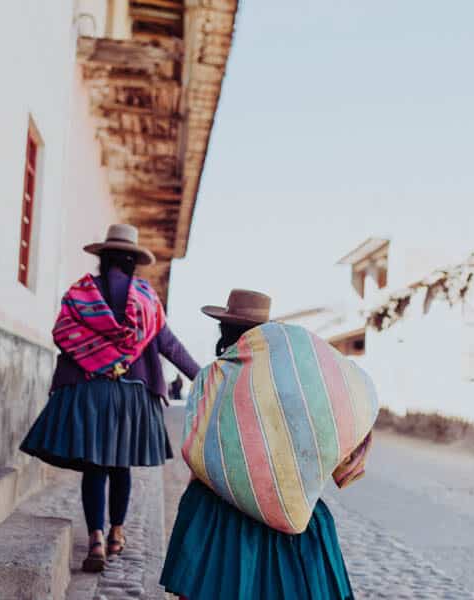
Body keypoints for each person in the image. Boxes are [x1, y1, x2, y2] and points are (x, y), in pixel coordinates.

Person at [21, 224, 199, 573]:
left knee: (95, 467)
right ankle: (118, 533)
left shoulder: (80, 294)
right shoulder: (147, 300)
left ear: (102, 258)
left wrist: (96, 356)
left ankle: (96, 539)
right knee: (120, 466)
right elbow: (169, 346)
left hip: (90, 391)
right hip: (132, 397)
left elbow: (63, 334)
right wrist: (205, 378)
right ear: (133, 262)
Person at [160, 289, 356, 600]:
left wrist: (196, 516)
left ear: (224, 330)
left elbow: (197, 448)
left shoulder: (213, 377)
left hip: (219, 504)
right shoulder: (296, 383)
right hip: (285, 500)